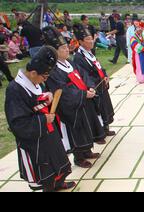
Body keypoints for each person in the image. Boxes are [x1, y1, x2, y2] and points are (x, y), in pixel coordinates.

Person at [4, 46, 75, 192]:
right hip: (35, 138)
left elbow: (36, 101)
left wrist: (46, 97)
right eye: (44, 77)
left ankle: (59, 183)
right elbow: (18, 122)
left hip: (48, 131)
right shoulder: (15, 90)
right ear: (33, 72)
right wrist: (43, 120)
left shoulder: (34, 82)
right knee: (45, 170)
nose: (45, 80)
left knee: (60, 160)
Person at [42, 26, 103, 168]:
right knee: (75, 131)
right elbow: (62, 90)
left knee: (86, 127)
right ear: (55, 52)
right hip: (70, 107)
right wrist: (83, 94)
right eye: (62, 48)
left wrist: (90, 86)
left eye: (66, 47)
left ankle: (87, 150)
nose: (66, 50)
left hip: (83, 101)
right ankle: (78, 157)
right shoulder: (54, 70)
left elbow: (83, 74)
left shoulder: (69, 62)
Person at [73, 24, 116, 137]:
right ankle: (99, 133)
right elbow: (84, 75)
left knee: (105, 108)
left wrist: (105, 75)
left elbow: (99, 66)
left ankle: (106, 128)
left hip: (101, 85)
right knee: (98, 111)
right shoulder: (79, 57)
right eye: (88, 39)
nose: (91, 41)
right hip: (94, 87)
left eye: (92, 39)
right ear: (81, 42)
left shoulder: (90, 52)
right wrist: (93, 84)